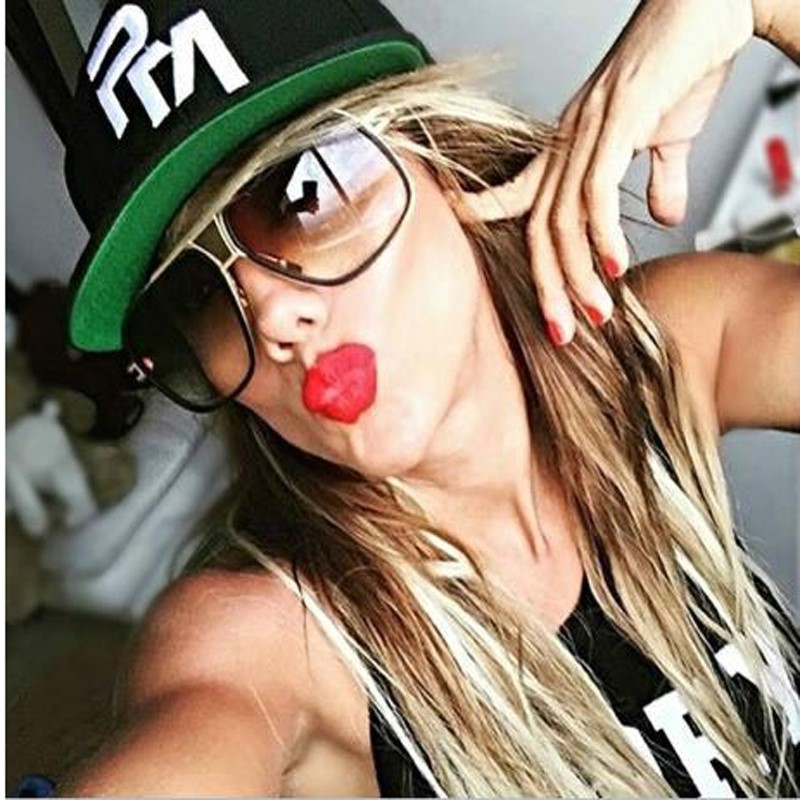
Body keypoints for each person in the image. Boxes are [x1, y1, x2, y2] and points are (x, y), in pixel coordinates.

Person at [57, 0, 800, 796]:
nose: (268, 316)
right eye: (196, 293)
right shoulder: (269, 640)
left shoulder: (663, 349)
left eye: (303, 193)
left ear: (437, 153)